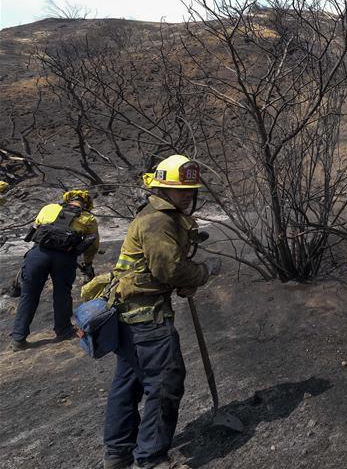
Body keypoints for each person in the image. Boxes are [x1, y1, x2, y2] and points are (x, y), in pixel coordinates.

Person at [102, 155, 209, 469]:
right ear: (161, 188)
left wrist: (180, 281)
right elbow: (169, 270)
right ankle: (151, 458)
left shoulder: (154, 214)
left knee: (129, 381)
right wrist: (201, 273)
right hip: (147, 317)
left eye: (190, 190)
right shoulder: (159, 221)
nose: (186, 195)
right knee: (165, 382)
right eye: (180, 190)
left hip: (127, 313)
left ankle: (118, 453)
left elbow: (160, 269)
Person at [9, 189, 99, 350]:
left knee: (28, 295)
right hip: (64, 258)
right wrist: (88, 264)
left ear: (68, 199)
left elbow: (35, 227)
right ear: (86, 204)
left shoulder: (48, 208)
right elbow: (93, 245)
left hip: (38, 254)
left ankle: (18, 338)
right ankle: (63, 330)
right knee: (62, 294)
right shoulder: (89, 218)